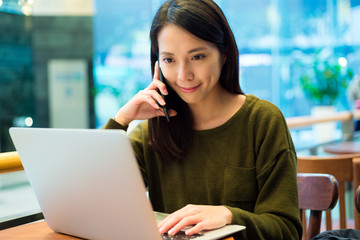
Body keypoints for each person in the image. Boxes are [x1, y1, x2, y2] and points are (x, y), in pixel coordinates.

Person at [103, 0, 302, 239]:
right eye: (169, 60)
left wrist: (229, 216)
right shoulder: (150, 133)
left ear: (224, 54)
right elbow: (94, 201)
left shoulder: (262, 121)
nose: (183, 75)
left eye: (197, 57)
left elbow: (287, 230)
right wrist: (122, 119)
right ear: (157, 63)